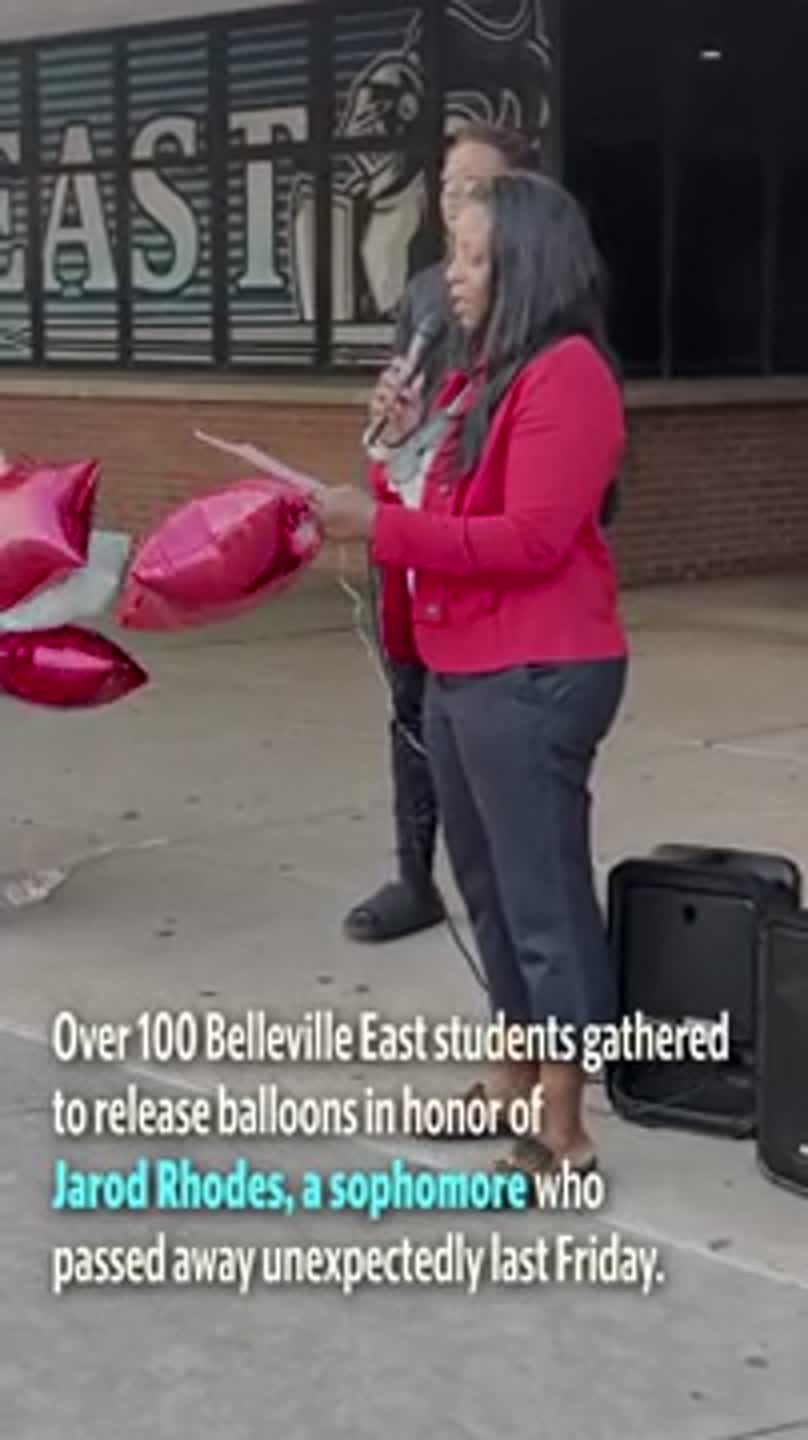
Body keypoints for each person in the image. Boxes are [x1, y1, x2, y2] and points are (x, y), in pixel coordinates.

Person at [313, 171, 628, 1185]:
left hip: (535, 665)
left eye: (474, 257)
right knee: (488, 890)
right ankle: (508, 1073)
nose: (451, 276)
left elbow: (528, 539)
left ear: (525, 265)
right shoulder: (470, 380)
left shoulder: (566, 374)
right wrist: (393, 438)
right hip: (461, 662)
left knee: (541, 899)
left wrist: (382, 524)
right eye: (452, 254)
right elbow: (414, 503)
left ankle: (564, 1126)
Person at [344, 121, 539, 947]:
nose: (456, 200)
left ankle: (511, 885)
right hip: (414, 520)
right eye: (449, 185)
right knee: (411, 708)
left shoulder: (536, 297)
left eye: (477, 188)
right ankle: (414, 874)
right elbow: (409, 410)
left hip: (482, 536)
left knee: (491, 728)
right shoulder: (427, 292)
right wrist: (388, 418)